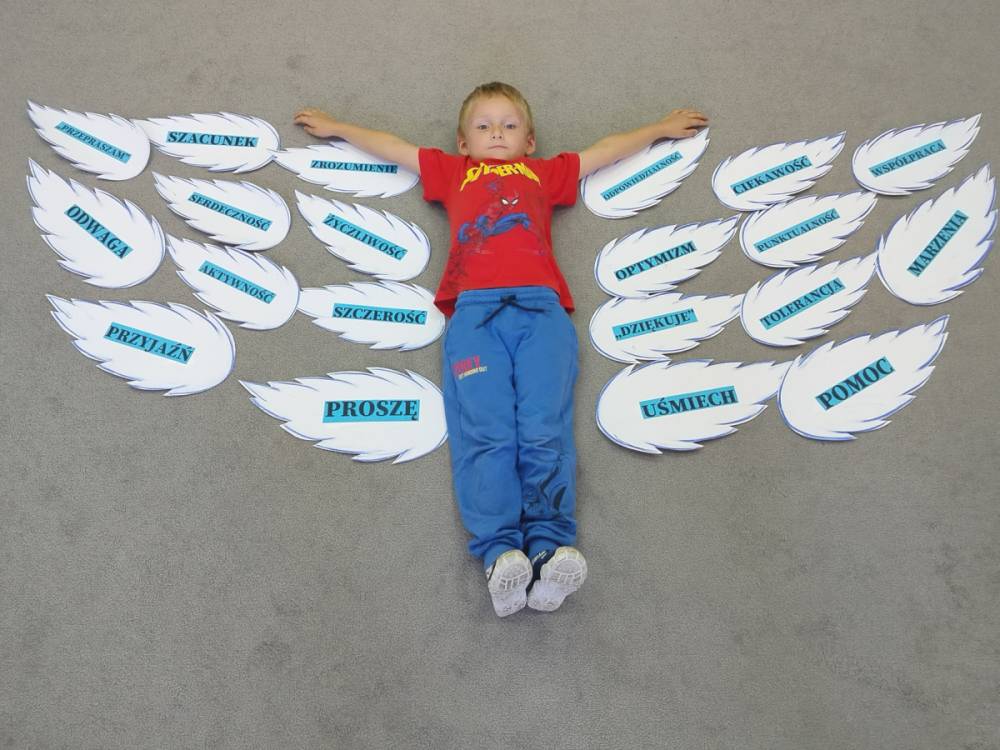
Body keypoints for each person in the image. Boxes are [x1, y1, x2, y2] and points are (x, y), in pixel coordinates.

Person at [294, 83, 707, 617]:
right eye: (484, 126)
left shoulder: (544, 174)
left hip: (543, 315)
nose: (496, 133)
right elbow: (393, 147)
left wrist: (659, 129)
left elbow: (604, 151)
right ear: (462, 143)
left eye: (509, 126)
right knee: (486, 432)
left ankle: (550, 547)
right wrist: (338, 128)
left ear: (529, 142)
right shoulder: (452, 171)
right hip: (474, 318)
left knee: (544, 429)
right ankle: (500, 555)